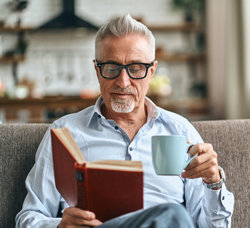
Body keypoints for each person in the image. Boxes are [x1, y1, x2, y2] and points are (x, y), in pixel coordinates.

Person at [15, 14, 234, 228]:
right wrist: (60, 225)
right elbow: (29, 217)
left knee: (172, 216)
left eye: (136, 68)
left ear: (152, 71)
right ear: (97, 70)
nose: (123, 81)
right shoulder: (64, 132)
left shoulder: (180, 131)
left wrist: (213, 182)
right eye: (111, 68)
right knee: (173, 215)